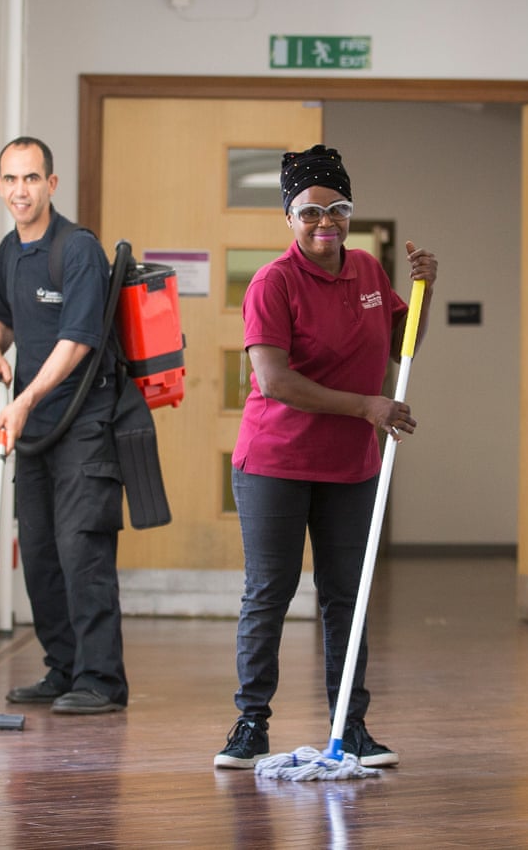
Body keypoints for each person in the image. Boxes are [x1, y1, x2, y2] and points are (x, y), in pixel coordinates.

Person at [214, 144, 438, 768]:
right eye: (310, 212)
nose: (324, 223)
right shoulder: (272, 282)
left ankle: (351, 724)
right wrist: (368, 407)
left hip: (349, 467)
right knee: (271, 591)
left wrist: (425, 292)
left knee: (349, 593)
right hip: (275, 463)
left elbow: (403, 345)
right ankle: (250, 724)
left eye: (337, 210)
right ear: (289, 217)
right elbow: (276, 381)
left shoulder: (368, 271)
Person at [0, 136, 128, 715]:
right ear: (0, 186)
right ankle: (63, 670)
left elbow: (78, 340)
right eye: (11, 180)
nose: (21, 190)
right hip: (35, 427)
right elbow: (2, 318)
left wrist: (23, 399)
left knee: (81, 550)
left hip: (84, 423)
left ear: (52, 184)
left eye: (32, 179)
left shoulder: (78, 250)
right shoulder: (7, 254)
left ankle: (101, 681)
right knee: (38, 553)